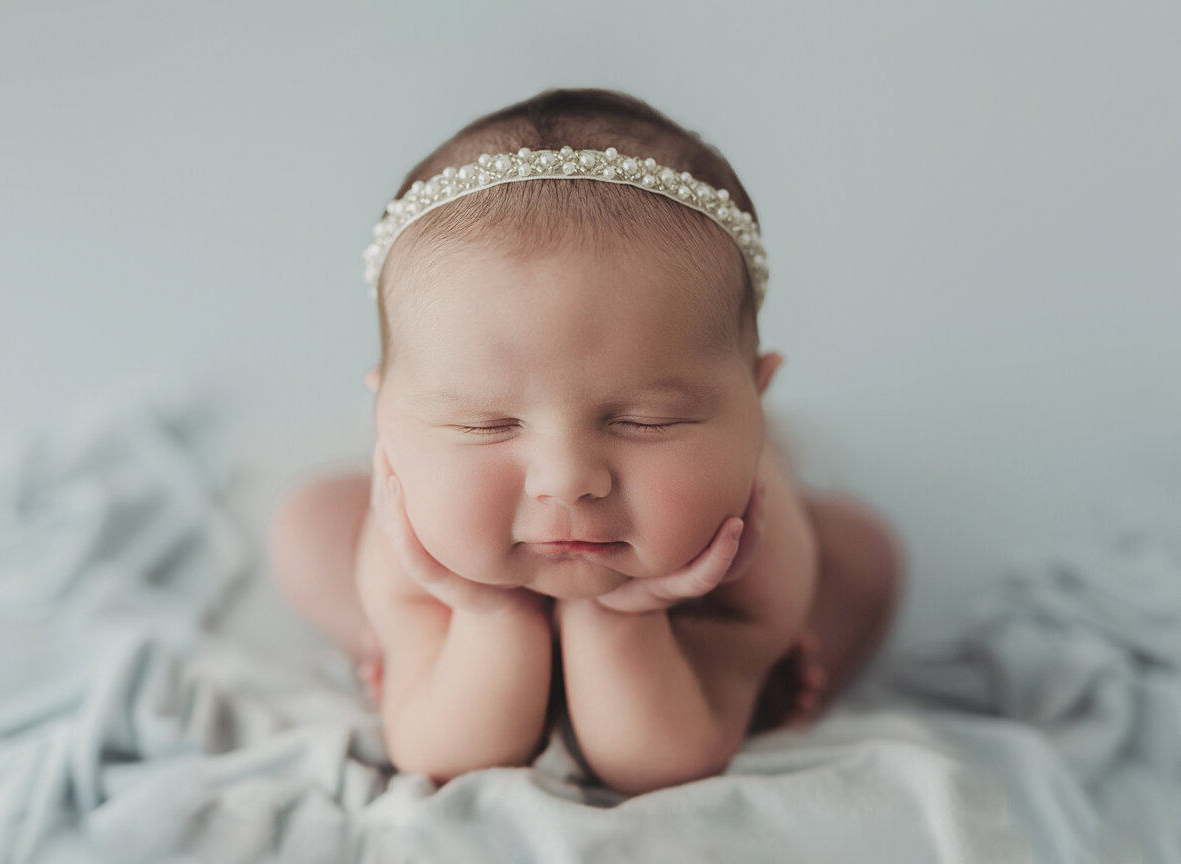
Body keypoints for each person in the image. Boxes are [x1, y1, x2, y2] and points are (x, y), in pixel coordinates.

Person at [270, 87, 904, 797]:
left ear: (754, 400)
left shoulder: (756, 545)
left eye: (645, 421)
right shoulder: (412, 524)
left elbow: (654, 765)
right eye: (489, 424)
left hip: (701, 628)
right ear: (388, 415)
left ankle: (745, 678)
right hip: (444, 577)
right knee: (310, 524)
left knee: (864, 554)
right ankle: (406, 650)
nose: (567, 480)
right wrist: (488, 614)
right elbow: (448, 758)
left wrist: (626, 615)